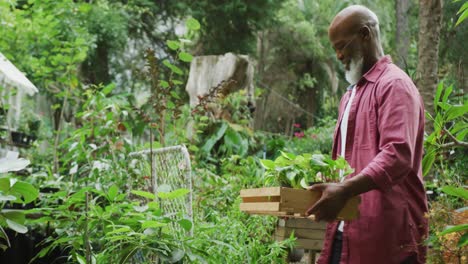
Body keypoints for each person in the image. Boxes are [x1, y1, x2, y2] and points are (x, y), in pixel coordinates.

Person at [306, 5, 428, 264]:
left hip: (387, 240)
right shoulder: (350, 95)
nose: (338, 55)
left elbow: (397, 155)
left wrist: (344, 189)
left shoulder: (394, 86)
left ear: (364, 35)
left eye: (341, 46)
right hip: (346, 231)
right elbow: (348, 163)